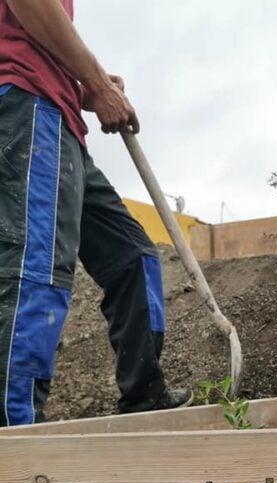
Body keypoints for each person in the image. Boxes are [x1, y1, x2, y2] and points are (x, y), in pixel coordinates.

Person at [0, 0, 192, 427]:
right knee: (38, 266)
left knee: (133, 257)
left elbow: (34, 36)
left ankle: (144, 395)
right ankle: (14, 431)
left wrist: (86, 85)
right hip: (27, 107)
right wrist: (96, 82)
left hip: (60, 118)